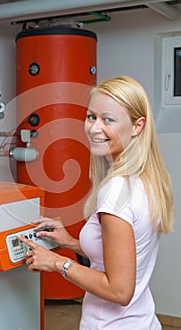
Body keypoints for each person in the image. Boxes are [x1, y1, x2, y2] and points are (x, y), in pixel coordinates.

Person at [18, 76, 174, 329]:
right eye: (91, 117)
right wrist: (70, 242)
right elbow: (121, 256)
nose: (94, 128)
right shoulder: (146, 179)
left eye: (108, 119)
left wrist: (57, 262)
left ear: (137, 126)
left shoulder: (115, 192)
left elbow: (119, 291)